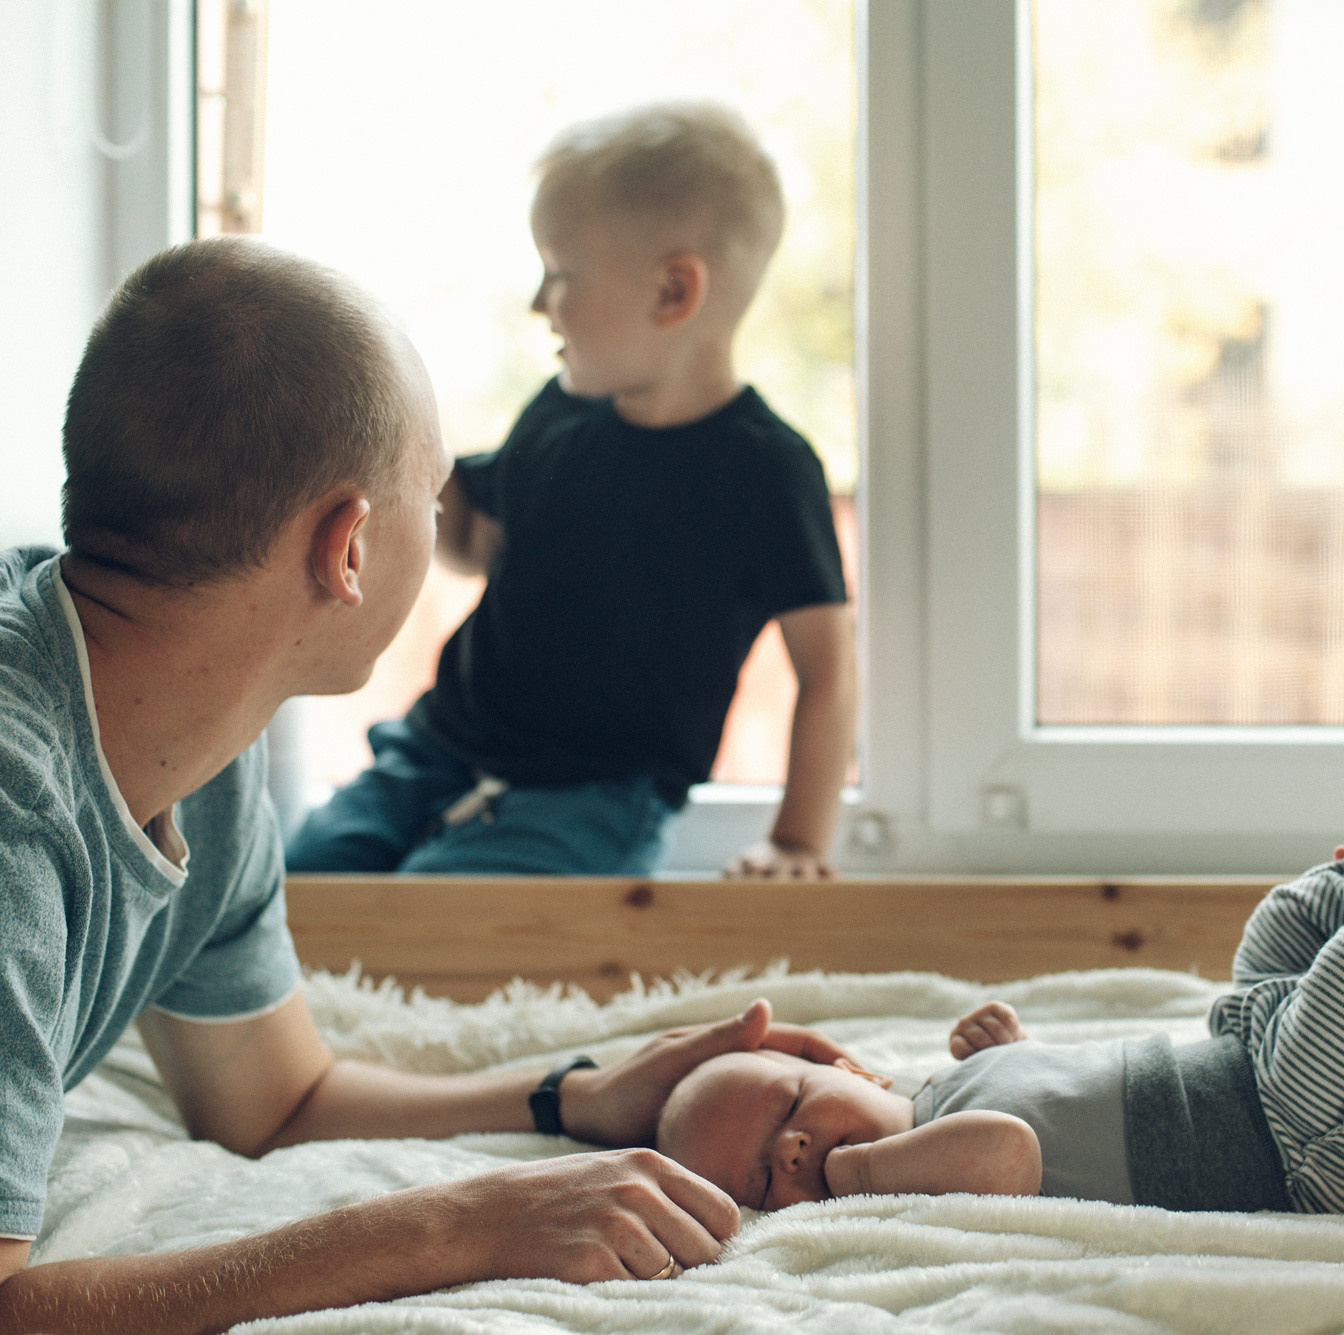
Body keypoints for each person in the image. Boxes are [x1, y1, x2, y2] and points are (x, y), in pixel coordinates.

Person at [0, 235, 853, 1333]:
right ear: (346, 548)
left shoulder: (193, 747)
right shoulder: (19, 807)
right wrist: (447, 1231)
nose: (444, 518)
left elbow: (271, 1100)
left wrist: (572, 1096)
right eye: (434, 491)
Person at [286, 101, 855, 879]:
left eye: (559, 273)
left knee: (433, 913)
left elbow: (826, 672)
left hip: (593, 799)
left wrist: (797, 842)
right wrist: (385, 462)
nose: (537, 303)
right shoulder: (557, 411)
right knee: (304, 879)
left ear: (672, 292)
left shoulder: (768, 470)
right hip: (438, 751)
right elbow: (474, 540)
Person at [654, 777, 1344, 1215]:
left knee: (1282, 924)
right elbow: (1011, 1151)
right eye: (757, 1180)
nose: (796, 1151)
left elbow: (1048, 1095)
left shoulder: (937, 1093)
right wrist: (858, 1175)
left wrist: (1011, 1044)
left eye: (789, 1108)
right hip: (1305, 1146)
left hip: (1248, 1054)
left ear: (847, 1066)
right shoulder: (907, 1171)